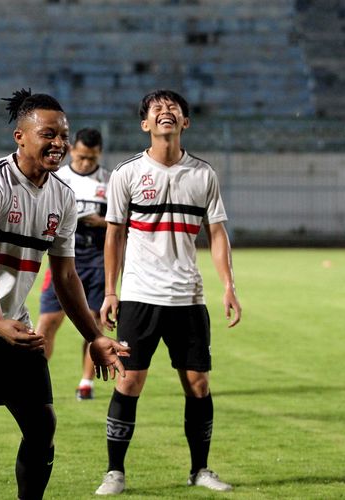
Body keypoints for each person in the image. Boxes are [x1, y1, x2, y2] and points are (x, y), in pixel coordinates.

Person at [0, 88, 130, 500]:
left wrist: (94, 337)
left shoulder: (62, 196)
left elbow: (67, 276)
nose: (59, 144)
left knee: (42, 426)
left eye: (63, 135)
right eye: (48, 134)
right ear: (20, 136)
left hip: (12, 322)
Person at [94, 89, 242, 495]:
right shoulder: (126, 173)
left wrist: (228, 286)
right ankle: (115, 472)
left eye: (173, 109)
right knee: (129, 383)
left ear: (185, 123)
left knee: (198, 385)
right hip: (140, 297)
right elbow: (114, 236)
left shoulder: (203, 175)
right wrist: (111, 291)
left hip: (189, 299)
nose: (165, 112)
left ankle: (200, 470)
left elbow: (216, 233)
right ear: (145, 125)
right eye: (156, 109)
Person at [36, 127, 109, 400]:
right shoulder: (57, 177)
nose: (86, 163)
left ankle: (86, 383)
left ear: (99, 153)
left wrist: (101, 222)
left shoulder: (110, 182)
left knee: (93, 322)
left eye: (91, 158)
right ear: (72, 151)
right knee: (47, 323)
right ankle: (34, 379)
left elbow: (120, 225)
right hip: (63, 259)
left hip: (98, 262)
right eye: (81, 157)